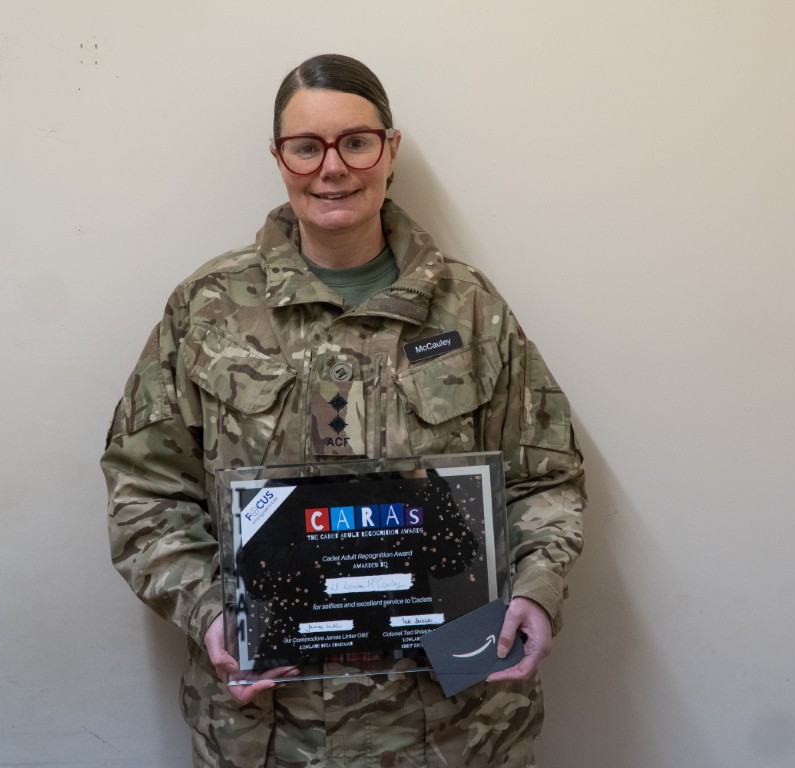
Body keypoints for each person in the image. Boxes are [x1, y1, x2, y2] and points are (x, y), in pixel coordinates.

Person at [101, 53, 584, 768]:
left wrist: (538, 590)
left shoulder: (470, 308)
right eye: (307, 146)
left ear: (389, 150)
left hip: (456, 726)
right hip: (274, 726)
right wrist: (208, 611)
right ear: (279, 157)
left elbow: (544, 478)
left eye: (356, 141)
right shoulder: (206, 311)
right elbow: (145, 488)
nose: (333, 167)